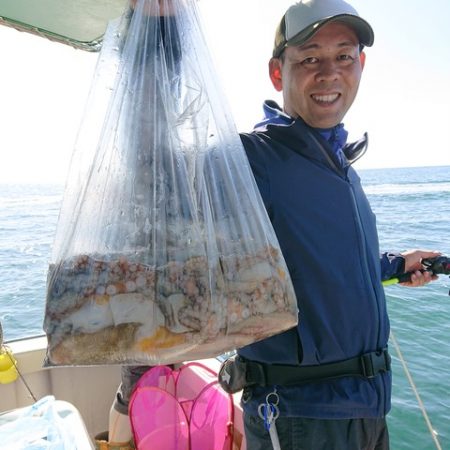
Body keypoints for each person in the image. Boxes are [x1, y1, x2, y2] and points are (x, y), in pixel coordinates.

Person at [230, 0, 441, 449]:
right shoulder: (250, 158)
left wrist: (393, 265)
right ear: (277, 72)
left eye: (344, 56)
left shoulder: (338, 160)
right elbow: (160, 160)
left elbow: (322, 259)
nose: (329, 72)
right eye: (309, 58)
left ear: (360, 65)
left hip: (365, 408)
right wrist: (161, 33)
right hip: (297, 415)